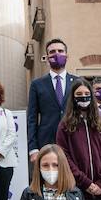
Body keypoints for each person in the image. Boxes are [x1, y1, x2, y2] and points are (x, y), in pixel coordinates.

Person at [26, 38, 80, 172]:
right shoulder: (37, 84)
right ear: (47, 57)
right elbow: (32, 118)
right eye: (52, 52)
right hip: (46, 144)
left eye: (60, 51)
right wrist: (33, 148)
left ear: (67, 56)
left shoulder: (78, 82)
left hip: (74, 143)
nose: (57, 54)